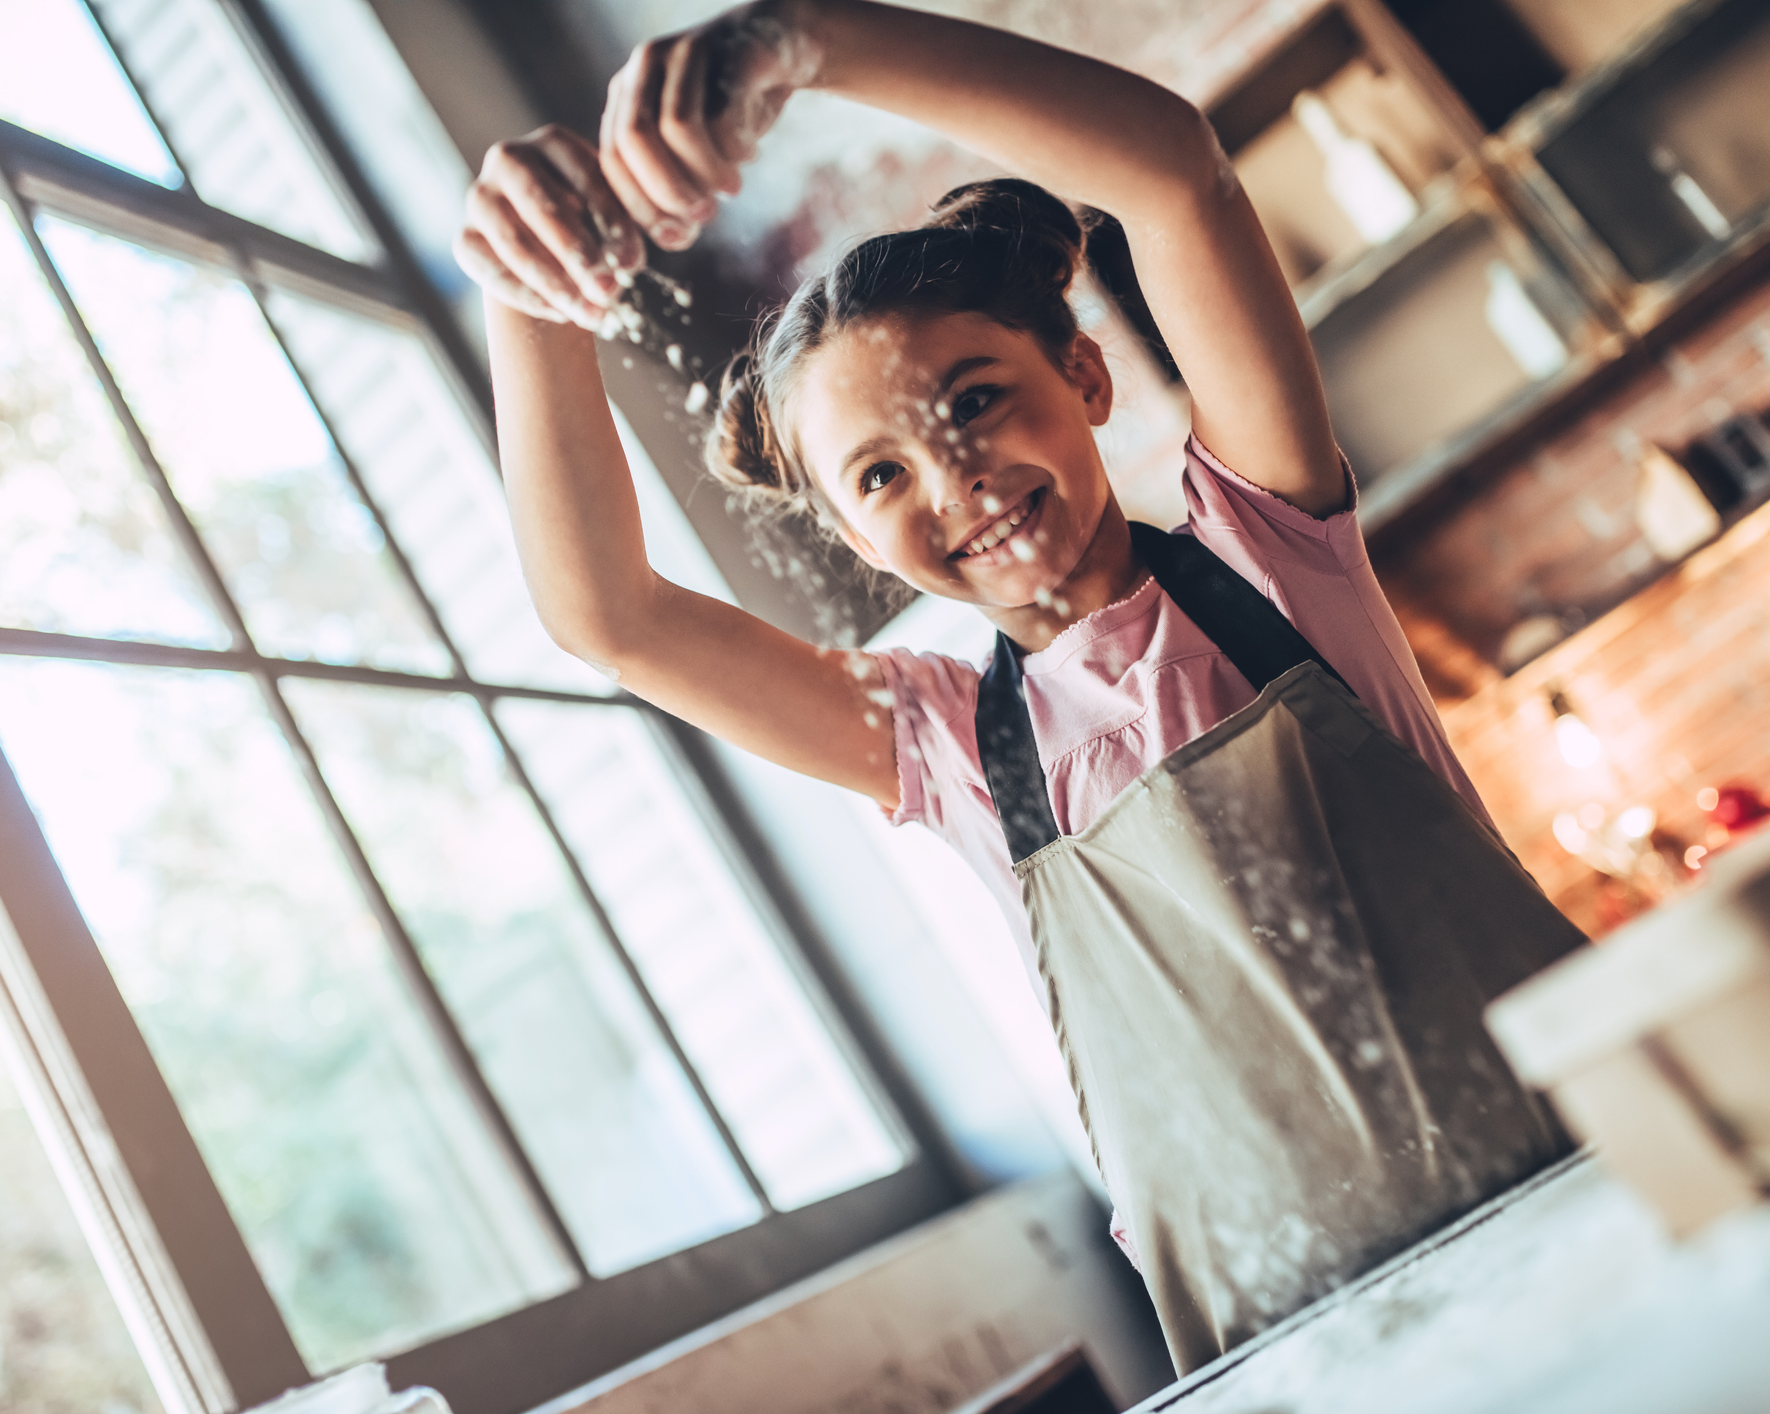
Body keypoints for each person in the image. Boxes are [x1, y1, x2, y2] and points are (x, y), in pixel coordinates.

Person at [455, 0, 1583, 1375]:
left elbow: (1176, 175)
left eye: (977, 397)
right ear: (853, 535)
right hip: (1315, 1359)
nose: (956, 475)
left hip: (1601, 1183)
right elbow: (609, 618)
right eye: (880, 475)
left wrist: (808, 41)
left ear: (1088, 372)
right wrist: (528, 296)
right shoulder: (931, 741)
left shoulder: (1275, 554)